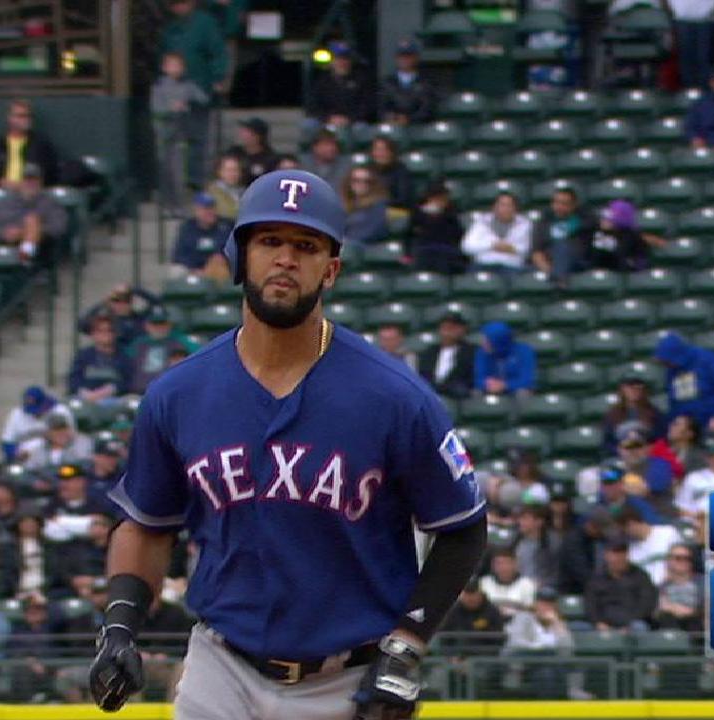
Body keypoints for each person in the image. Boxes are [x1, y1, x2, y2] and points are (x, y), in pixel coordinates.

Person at [88, 169, 487, 718]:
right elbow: (147, 525)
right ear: (239, 254)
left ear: (331, 269)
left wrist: (405, 649)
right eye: (269, 240)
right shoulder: (179, 394)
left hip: (346, 678)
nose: (285, 258)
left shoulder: (394, 397)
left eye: (306, 245)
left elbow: (462, 529)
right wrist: (118, 626)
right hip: (220, 664)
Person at [0, 164, 69, 265]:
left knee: (32, 222)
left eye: (34, 180)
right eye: (26, 179)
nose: (30, 183)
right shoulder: (7, 203)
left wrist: (23, 232)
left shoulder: (50, 204)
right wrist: (5, 233)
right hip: (6, 242)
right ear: (20, 182)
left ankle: (24, 263)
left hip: (39, 249)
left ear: (40, 182)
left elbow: (59, 227)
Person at [151, 50, 211, 198]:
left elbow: (204, 99)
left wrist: (188, 103)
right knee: (165, 168)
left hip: (182, 134)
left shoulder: (188, 86)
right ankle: (166, 201)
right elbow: (155, 109)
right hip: (164, 134)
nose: (175, 68)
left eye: (178, 65)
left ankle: (180, 202)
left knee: (180, 169)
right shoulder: (158, 87)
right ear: (164, 68)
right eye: (172, 65)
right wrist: (171, 109)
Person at [653, 332, 714, 434]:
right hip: (685, 425)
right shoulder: (672, 370)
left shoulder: (709, 360)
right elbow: (673, 399)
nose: (666, 365)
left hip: (712, 421)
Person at [0, 99, 60, 188]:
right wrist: (2, 182)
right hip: (2, 193)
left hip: (32, 194)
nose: (26, 120)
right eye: (21, 116)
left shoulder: (42, 145)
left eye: (29, 116)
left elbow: (51, 174)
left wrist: (28, 184)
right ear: (10, 118)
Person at [584, 541, 657, 631]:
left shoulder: (640, 576)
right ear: (606, 555)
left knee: (639, 627)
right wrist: (598, 623)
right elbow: (590, 605)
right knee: (578, 628)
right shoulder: (596, 578)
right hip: (603, 624)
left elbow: (646, 603)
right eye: (615, 553)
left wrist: (630, 624)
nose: (619, 558)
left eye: (622, 553)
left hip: (632, 625)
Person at [125, 306, 199, 394]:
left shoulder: (180, 341)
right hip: (138, 394)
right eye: (155, 323)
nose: (158, 327)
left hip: (169, 392)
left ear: (169, 324)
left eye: (162, 323)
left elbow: (200, 355)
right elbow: (124, 365)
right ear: (147, 325)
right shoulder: (138, 344)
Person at [68, 314, 134, 410]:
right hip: (86, 399)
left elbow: (129, 381)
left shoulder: (124, 356)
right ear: (93, 334)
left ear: (115, 334)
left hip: (114, 401)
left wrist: (110, 390)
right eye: (100, 330)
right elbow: (73, 380)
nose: (105, 333)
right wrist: (85, 393)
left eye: (109, 330)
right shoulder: (83, 355)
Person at [614, 424, 678, 520]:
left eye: (638, 446)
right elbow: (606, 493)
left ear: (648, 448)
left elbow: (645, 490)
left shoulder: (660, 465)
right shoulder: (611, 466)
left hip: (659, 520)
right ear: (619, 449)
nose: (633, 451)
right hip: (623, 522)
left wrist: (619, 489)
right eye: (628, 447)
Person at [305, 41, 375, 128]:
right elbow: (313, 106)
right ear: (331, 61)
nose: (342, 62)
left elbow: (367, 106)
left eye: (346, 58)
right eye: (338, 58)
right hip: (327, 121)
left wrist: (349, 119)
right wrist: (329, 118)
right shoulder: (321, 81)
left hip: (353, 122)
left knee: (361, 128)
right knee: (309, 125)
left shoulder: (362, 80)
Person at [0, 385, 76, 461]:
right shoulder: (16, 414)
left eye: (38, 409)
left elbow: (72, 437)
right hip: (25, 457)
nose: (35, 414)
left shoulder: (61, 411)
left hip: (56, 454)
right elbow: (7, 441)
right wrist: (16, 453)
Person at [407, 177, 465, 274]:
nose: (437, 201)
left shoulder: (453, 212)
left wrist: (442, 214)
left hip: (447, 251)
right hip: (423, 250)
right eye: (434, 198)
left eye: (441, 198)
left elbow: (457, 234)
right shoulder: (417, 212)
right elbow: (411, 234)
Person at [462, 192, 533, 271]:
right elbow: (467, 247)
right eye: (502, 205)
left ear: (515, 208)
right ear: (494, 207)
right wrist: (492, 246)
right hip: (483, 264)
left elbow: (528, 249)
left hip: (512, 266)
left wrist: (512, 248)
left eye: (509, 205)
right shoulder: (481, 222)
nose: (505, 209)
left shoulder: (525, 224)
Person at [77, 282, 159, 348]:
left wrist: (133, 289)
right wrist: (103, 303)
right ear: (111, 303)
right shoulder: (106, 322)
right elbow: (82, 324)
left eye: (126, 301)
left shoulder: (140, 319)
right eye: (116, 301)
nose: (121, 305)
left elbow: (157, 304)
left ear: (132, 302)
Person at [531, 187, 587, 284]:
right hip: (548, 263)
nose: (559, 207)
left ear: (573, 205)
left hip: (575, 263)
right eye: (556, 203)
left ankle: (558, 284)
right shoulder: (544, 222)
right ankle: (557, 279)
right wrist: (547, 268)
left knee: (562, 247)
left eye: (564, 204)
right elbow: (536, 250)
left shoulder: (582, 222)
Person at [416, 311, 476, 400]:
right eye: (445, 327)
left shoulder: (471, 352)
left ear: (462, 329)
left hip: (457, 398)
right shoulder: (429, 352)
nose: (448, 330)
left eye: (453, 327)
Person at [602, 374, 666, 457]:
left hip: (648, 457)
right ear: (622, 389)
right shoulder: (612, 414)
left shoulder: (654, 413)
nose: (634, 390)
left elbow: (662, 439)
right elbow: (607, 443)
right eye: (630, 386)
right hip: (621, 457)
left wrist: (649, 449)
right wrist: (619, 450)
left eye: (638, 387)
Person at [616, 505, 680, 586]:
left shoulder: (668, 533)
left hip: (672, 585)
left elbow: (682, 560)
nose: (625, 534)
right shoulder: (631, 551)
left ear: (631, 524)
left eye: (624, 530)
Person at [379, 39, 436, 126]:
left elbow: (427, 108)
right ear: (396, 58)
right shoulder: (387, 83)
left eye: (408, 56)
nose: (404, 60)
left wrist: (409, 119)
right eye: (401, 56)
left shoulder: (426, 82)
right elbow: (382, 107)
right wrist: (392, 117)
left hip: (418, 128)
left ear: (415, 58)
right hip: (393, 127)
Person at [582, 199, 646, 273]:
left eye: (609, 218)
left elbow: (638, 263)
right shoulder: (592, 232)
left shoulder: (632, 238)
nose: (603, 220)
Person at [474, 321, 536, 397]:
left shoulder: (524, 351)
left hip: (515, 390)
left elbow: (527, 380)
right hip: (491, 389)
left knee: (523, 392)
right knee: (476, 392)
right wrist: (486, 383)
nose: (483, 343)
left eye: (487, 341)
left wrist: (505, 385)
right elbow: (478, 378)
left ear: (498, 341)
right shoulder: (482, 352)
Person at [653, 545, 704, 632]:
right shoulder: (661, 587)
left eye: (687, 558)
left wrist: (689, 612)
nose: (683, 562)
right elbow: (656, 610)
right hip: (669, 625)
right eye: (678, 558)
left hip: (696, 626)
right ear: (668, 561)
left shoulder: (703, 583)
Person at [17, 415, 94, 472]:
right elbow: (30, 469)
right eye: (56, 430)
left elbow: (84, 463)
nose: (61, 433)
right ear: (47, 433)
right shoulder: (39, 449)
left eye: (64, 429)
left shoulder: (82, 442)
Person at [340, 166, 390, 247]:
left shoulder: (379, 205)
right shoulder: (343, 203)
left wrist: (347, 241)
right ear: (349, 182)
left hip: (365, 248)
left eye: (366, 181)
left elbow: (374, 231)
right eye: (356, 180)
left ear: (373, 184)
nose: (361, 184)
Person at [480, 549, 537, 618]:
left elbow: (530, 611)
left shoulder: (527, 584)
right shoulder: (483, 583)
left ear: (515, 564)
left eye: (507, 563)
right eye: (499, 563)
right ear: (493, 566)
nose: (503, 567)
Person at [227, 117, 279, 185]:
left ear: (258, 135)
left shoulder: (270, 158)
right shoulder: (234, 152)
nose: (242, 134)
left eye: (247, 132)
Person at [368, 136, 413, 210]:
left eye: (384, 150)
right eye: (377, 149)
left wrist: (380, 203)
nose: (380, 153)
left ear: (391, 153)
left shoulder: (401, 171)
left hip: (392, 210)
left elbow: (403, 199)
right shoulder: (367, 170)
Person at [206, 154, 246, 222]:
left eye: (235, 170)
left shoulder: (245, 192)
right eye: (228, 170)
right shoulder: (211, 193)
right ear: (220, 172)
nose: (232, 174)